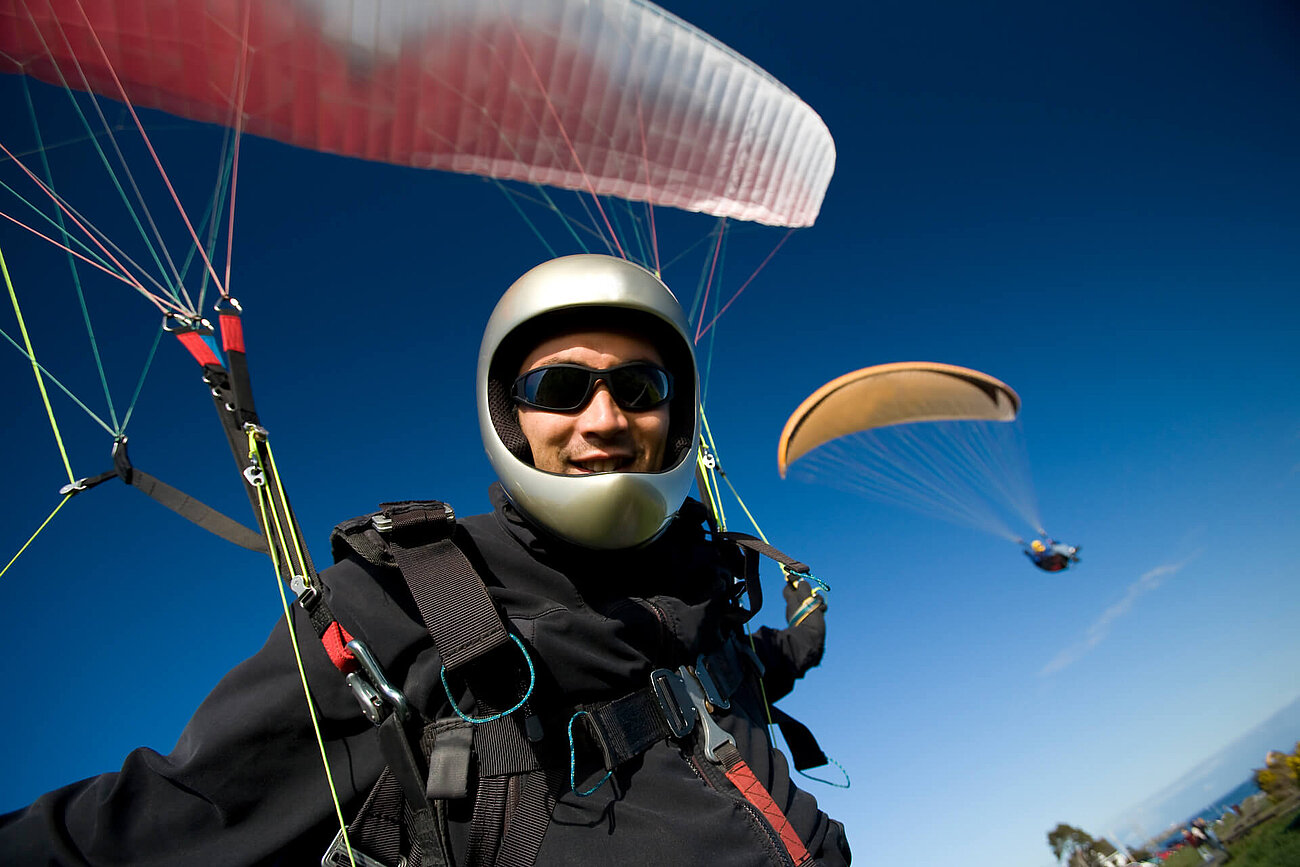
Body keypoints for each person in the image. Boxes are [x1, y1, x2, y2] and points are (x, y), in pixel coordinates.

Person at [0, 254, 850, 866]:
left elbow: (734, 675)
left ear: (678, 414)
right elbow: (174, 817)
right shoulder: (401, 603)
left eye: (640, 388)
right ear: (508, 414)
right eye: (559, 389)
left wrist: (801, 631)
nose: (604, 419)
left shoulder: (701, 585)